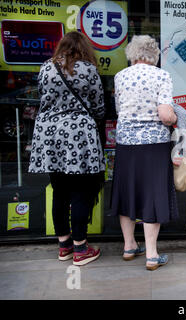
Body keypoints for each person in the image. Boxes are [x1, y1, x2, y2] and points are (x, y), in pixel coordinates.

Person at [29, 31, 105, 266]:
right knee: (81, 191)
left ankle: (64, 246)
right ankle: (81, 249)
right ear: (84, 48)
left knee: (59, 189)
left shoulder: (46, 68)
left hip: (49, 135)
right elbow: (99, 106)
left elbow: (43, 98)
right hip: (78, 135)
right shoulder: (89, 70)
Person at [111, 35, 179, 271]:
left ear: (133, 54)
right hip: (154, 144)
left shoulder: (120, 76)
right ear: (154, 55)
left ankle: (129, 246)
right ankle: (151, 255)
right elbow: (165, 114)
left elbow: (119, 109)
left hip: (126, 142)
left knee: (127, 192)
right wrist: (175, 118)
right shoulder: (162, 76)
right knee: (152, 194)